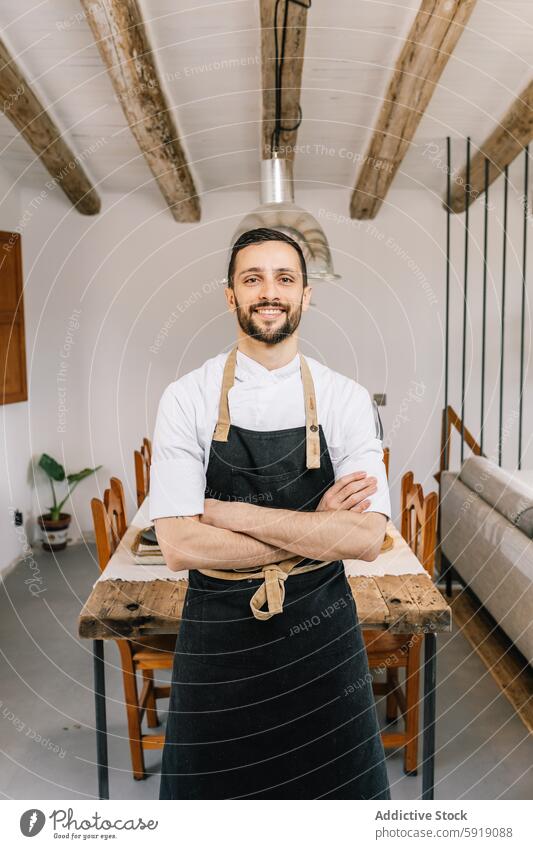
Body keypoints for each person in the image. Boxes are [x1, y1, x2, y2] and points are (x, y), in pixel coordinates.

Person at [150, 227, 391, 800]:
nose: (269, 291)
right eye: (251, 278)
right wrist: (317, 530)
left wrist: (224, 513)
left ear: (307, 294)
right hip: (218, 638)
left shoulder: (346, 399)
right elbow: (181, 547)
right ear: (229, 295)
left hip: (321, 633)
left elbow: (364, 538)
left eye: (285, 278)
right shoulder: (187, 397)